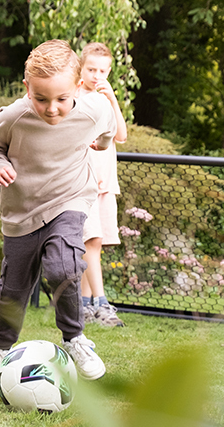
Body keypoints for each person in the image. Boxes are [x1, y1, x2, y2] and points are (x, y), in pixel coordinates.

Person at [0, 39, 115, 381]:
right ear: (27, 88)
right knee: (13, 289)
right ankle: (0, 346)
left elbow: (109, 128)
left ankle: (75, 339)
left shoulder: (93, 109)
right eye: (41, 99)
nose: (52, 109)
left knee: (63, 266)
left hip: (69, 201)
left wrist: (101, 144)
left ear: (78, 87)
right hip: (22, 212)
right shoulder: (13, 116)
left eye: (61, 99)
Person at [77, 42, 129, 327]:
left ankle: (83, 307)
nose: (96, 76)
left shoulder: (105, 97)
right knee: (92, 241)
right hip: (84, 181)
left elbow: (121, 135)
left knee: (94, 244)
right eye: (91, 69)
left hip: (106, 182)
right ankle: (101, 304)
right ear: (81, 68)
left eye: (102, 71)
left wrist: (113, 100)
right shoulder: (75, 96)